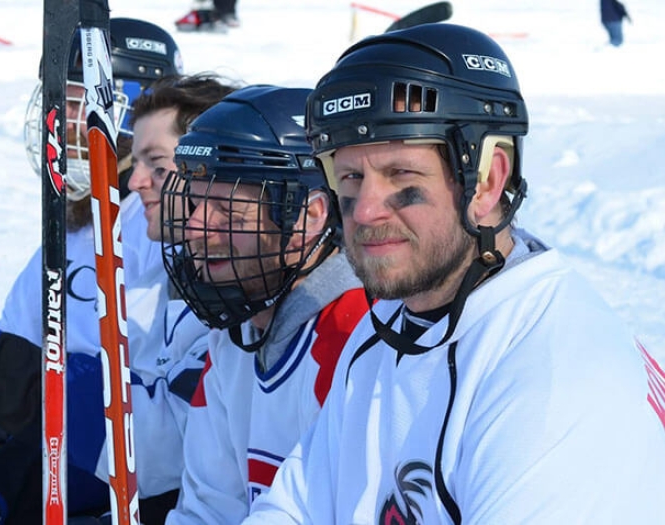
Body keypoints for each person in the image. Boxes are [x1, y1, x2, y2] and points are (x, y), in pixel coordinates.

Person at [242, 23, 665, 524]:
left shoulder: (557, 377)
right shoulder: (381, 335)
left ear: (487, 180)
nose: (365, 210)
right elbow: (295, 507)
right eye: (351, 177)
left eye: (401, 174)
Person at [0, 26, 233, 525]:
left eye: (73, 103)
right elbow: (16, 400)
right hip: (55, 468)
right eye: (54, 103)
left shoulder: (170, 237)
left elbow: (156, 442)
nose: (57, 122)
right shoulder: (73, 227)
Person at [158, 85, 369, 524]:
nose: (194, 228)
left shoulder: (357, 340)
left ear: (307, 217)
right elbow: (207, 509)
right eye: (196, 203)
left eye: (228, 213)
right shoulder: (232, 338)